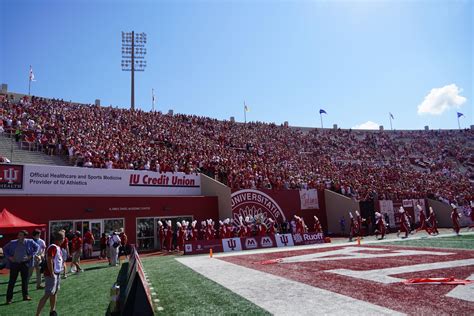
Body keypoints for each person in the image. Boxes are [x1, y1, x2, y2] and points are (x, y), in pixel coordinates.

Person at [4, 230, 40, 304]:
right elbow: (4, 249)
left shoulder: (29, 241)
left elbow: (37, 247)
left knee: (25, 281)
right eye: (18, 235)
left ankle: (25, 296)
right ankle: (9, 299)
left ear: (24, 236)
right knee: (12, 281)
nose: (18, 236)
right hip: (15, 264)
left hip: (25, 264)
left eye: (20, 235)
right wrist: (10, 257)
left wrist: (31, 255)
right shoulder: (12, 242)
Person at [35, 230, 65, 316]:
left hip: (56, 273)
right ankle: (38, 314)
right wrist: (52, 273)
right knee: (48, 294)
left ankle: (52, 311)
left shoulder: (56, 247)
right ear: (60, 239)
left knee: (54, 292)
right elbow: (49, 260)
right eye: (63, 238)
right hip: (52, 274)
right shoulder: (53, 247)